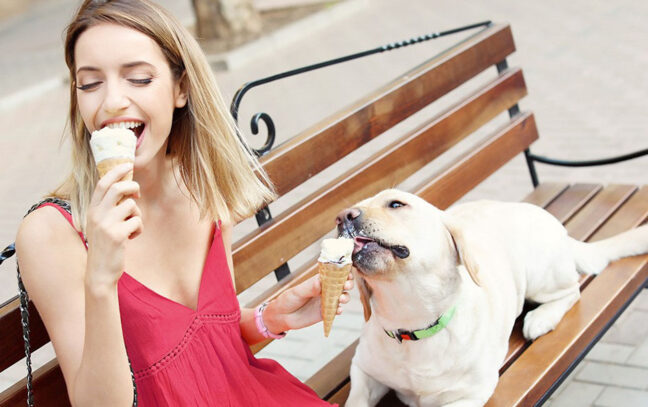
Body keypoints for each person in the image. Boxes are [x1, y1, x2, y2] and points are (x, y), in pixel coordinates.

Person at [14, 0, 352, 405]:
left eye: (138, 78)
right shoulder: (52, 234)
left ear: (181, 88)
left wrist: (269, 319)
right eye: (89, 83)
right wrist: (101, 281)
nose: (111, 102)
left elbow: (203, 340)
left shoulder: (200, 185)